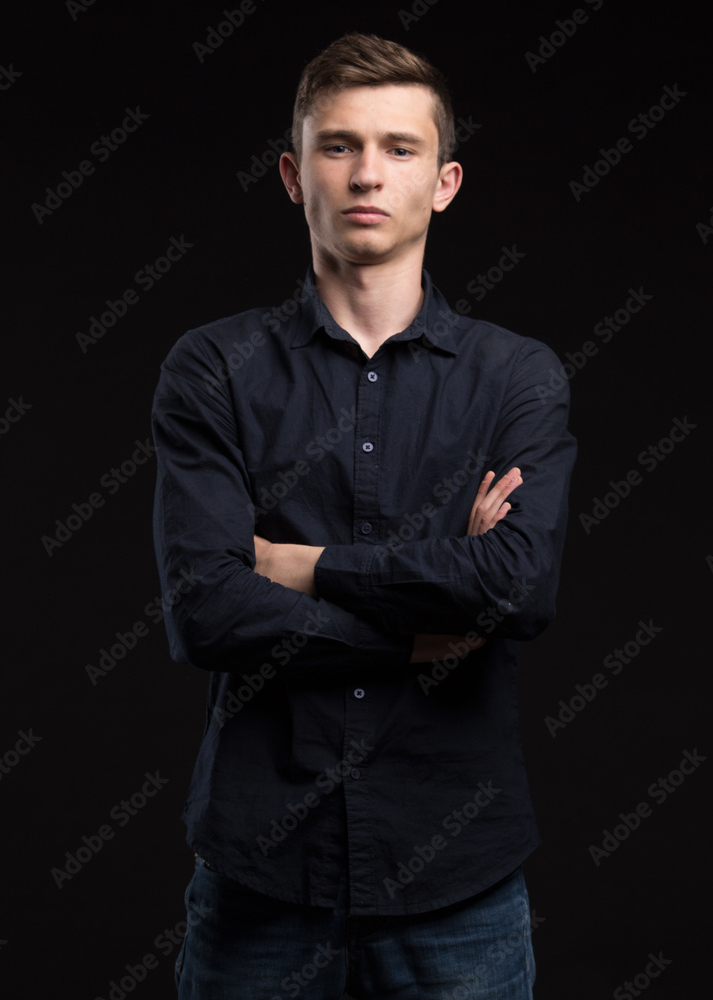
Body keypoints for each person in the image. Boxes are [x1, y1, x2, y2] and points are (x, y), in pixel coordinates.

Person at [151, 31, 576, 999]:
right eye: (338, 147)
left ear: (445, 181)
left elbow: (518, 586)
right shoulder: (213, 369)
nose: (366, 174)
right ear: (294, 177)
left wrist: (302, 565)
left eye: (399, 147)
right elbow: (207, 609)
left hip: (458, 885)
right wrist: (429, 628)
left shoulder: (516, 377)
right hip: (259, 876)